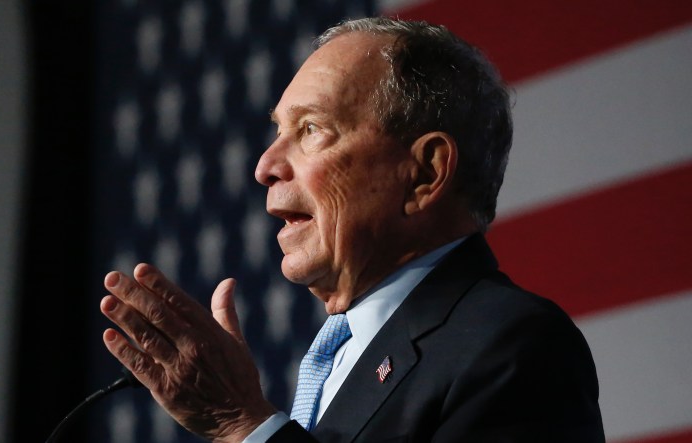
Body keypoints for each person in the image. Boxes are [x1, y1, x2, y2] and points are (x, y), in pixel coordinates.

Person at [99, 17, 605, 442]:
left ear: (425, 173)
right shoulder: (340, 354)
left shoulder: (512, 345)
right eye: (278, 132)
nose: (265, 166)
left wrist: (244, 425)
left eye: (312, 130)